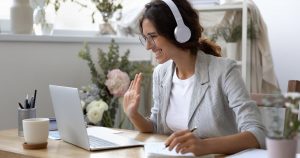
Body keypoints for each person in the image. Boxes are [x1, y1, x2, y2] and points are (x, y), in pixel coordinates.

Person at [122, 0, 265, 156]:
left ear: (178, 32)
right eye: (145, 38)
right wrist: (133, 115)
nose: (148, 46)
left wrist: (204, 146)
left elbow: (256, 133)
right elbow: (156, 127)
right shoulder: (161, 73)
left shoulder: (225, 71)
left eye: (153, 37)